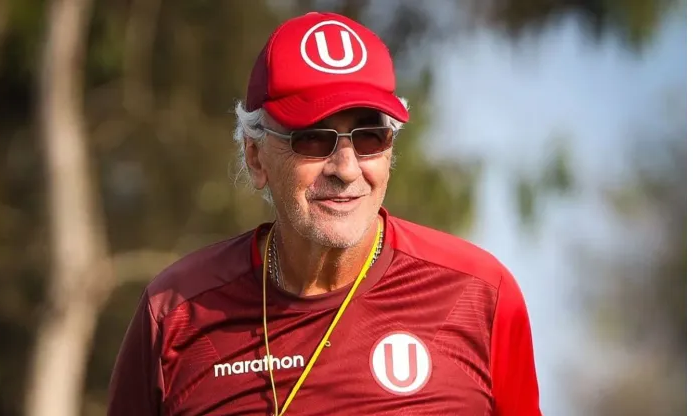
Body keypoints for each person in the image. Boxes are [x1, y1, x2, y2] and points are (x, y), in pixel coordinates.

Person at [107, 11, 542, 416]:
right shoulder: (174, 314)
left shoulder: (481, 296)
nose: (347, 169)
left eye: (371, 137)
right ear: (256, 158)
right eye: (314, 140)